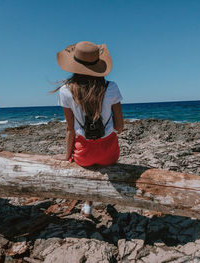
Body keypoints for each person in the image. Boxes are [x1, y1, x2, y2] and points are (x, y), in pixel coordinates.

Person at [54, 41, 124, 217]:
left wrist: (66, 155)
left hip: (83, 154)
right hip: (109, 153)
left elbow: (70, 129)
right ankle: (96, 200)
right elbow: (120, 127)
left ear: (75, 65)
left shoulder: (65, 91)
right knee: (102, 160)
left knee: (89, 165)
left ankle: (88, 204)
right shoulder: (111, 87)